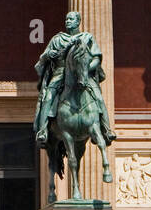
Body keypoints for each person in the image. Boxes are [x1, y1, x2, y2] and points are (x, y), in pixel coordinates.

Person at [33, 10, 115, 147]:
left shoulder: (87, 38)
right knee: (47, 98)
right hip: (60, 73)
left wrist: (85, 70)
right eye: (66, 19)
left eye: (71, 19)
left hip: (83, 74)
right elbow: (43, 58)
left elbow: (96, 59)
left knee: (99, 98)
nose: (67, 22)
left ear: (78, 22)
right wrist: (49, 55)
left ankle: (106, 130)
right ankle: (43, 131)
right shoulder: (57, 39)